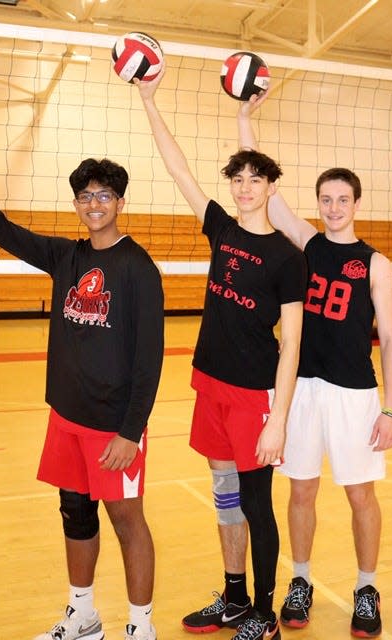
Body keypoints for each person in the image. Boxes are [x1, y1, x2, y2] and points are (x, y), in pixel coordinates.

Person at [0, 144, 165, 640]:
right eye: (85, 197)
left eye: (103, 195)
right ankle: (83, 615)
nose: (94, 204)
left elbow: (150, 361)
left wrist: (131, 432)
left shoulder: (138, 269)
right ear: (77, 205)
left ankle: (141, 627)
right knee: (75, 514)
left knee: (128, 521)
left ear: (120, 202)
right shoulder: (66, 256)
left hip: (113, 427)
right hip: (66, 417)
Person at [135, 64, 307, 640]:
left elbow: (292, 348)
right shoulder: (221, 229)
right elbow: (177, 165)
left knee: (258, 503)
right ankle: (234, 595)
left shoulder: (288, 258)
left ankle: (264, 612)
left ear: (270, 188)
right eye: (237, 180)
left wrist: (278, 419)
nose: (243, 188)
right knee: (224, 490)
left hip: (254, 396)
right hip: (209, 382)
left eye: (255, 180)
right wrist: (149, 101)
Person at [237, 92, 392, 638]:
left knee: (360, 495)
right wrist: (244, 120)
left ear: (357, 203)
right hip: (301, 390)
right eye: (326, 199)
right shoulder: (305, 242)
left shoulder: (376, 264)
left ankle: (366, 587)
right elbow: (263, 184)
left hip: (355, 394)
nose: (333, 208)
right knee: (301, 490)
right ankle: (300, 580)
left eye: (342, 199)